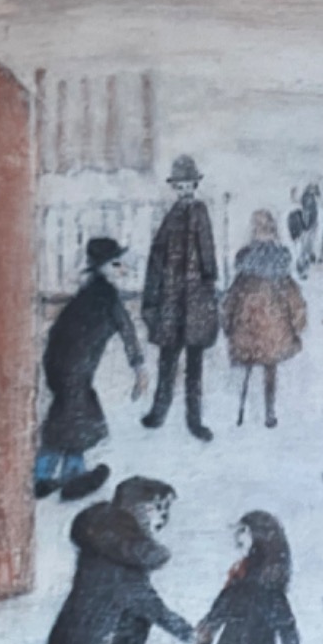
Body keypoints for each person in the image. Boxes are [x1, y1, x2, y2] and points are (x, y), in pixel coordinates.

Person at [36, 477, 193, 644]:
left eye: (166, 509)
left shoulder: (105, 544)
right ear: (137, 508)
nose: (163, 517)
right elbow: (149, 605)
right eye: (158, 507)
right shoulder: (123, 556)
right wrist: (192, 635)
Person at [34, 236, 148, 502]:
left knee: (71, 418)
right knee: (74, 418)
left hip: (62, 366)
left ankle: (57, 473)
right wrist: (139, 367)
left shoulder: (90, 293)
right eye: (116, 264)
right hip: (73, 368)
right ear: (101, 267)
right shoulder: (105, 296)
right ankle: (56, 475)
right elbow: (127, 330)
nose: (123, 269)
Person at [182, 511, 306, 644]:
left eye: (243, 532)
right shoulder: (249, 579)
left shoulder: (255, 585)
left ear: (260, 538)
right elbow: (287, 629)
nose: (237, 538)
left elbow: (217, 615)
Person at [140, 154, 220, 441]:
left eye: (189, 185)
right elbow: (157, 256)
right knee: (167, 360)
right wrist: (156, 294)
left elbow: (208, 254)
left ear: (195, 185)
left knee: (194, 367)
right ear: (175, 187)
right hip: (173, 301)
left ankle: (194, 420)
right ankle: (158, 412)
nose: (185, 190)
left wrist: (207, 285)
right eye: (180, 185)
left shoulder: (200, 211)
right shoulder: (171, 216)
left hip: (195, 301)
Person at [222, 209, 309, 429]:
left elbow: (231, 298)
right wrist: (298, 323)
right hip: (273, 330)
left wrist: (227, 323)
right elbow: (294, 298)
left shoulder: (245, 266)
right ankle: (268, 411)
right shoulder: (280, 265)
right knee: (270, 368)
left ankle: (244, 409)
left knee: (251, 364)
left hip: (248, 328)